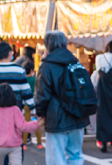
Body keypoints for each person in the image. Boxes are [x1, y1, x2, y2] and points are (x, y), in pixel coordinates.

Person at [35, 31, 90, 165]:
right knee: (76, 155)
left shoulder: (47, 66)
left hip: (57, 119)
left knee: (56, 159)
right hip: (78, 117)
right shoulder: (75, 62)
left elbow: (42, 94)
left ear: (47, 46)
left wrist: (40, 114)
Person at [0, 42, 35, 145]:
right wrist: (33, 108)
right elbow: (27, 93)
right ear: (10, 54)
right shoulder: (19, 71)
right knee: (16, 145)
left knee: (0, 144)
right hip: (16, 112)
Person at [0, 83, 42, 165]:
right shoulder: (15, 110)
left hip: (0, 145)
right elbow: (23, 126)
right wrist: (37, 124)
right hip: (15, 145)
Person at [21, 61, 43, 150]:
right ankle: (39, 143)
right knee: (36, 123)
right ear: (31, 70)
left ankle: (24, 144)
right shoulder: (35, 80)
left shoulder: (22, 80)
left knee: (26, 124)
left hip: (25, 105)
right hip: (34, 104)